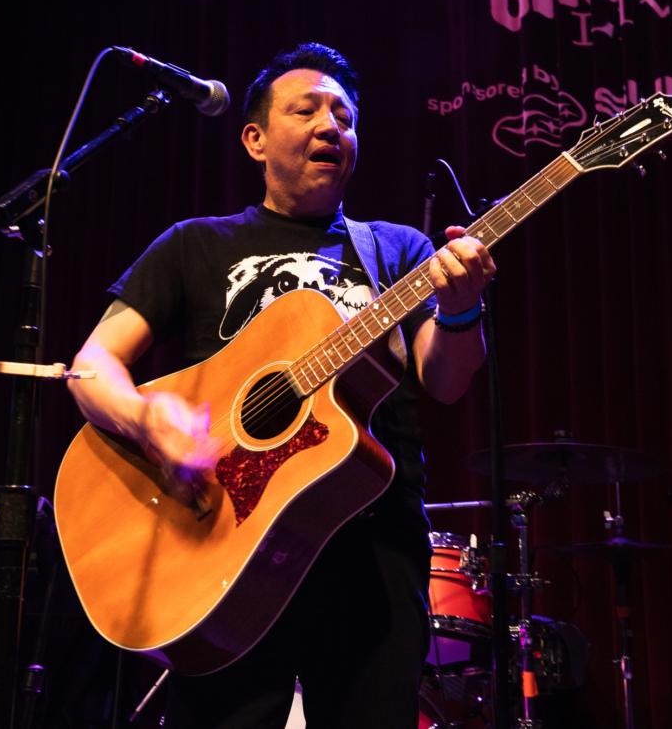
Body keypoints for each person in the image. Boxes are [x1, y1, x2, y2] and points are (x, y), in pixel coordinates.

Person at [68, 42, 496, 728]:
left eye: (345, 117)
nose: (332, 127)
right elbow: (91, 366)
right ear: (255, 139)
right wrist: (150, 422)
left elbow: (445, 382)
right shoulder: (195, 244)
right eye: (307, 111)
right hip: (220, 543)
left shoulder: (399, 251)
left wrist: (462, 308)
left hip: (371, 550)